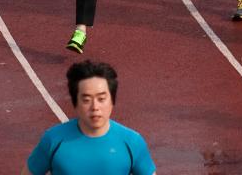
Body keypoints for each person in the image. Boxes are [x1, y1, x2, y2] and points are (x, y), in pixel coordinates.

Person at [24, 59, 156, 175]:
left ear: (112, 101)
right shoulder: (53, 140)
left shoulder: (132, 142)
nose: (95, 107)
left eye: (101, 99)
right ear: (75, 103)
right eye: (86, 100)